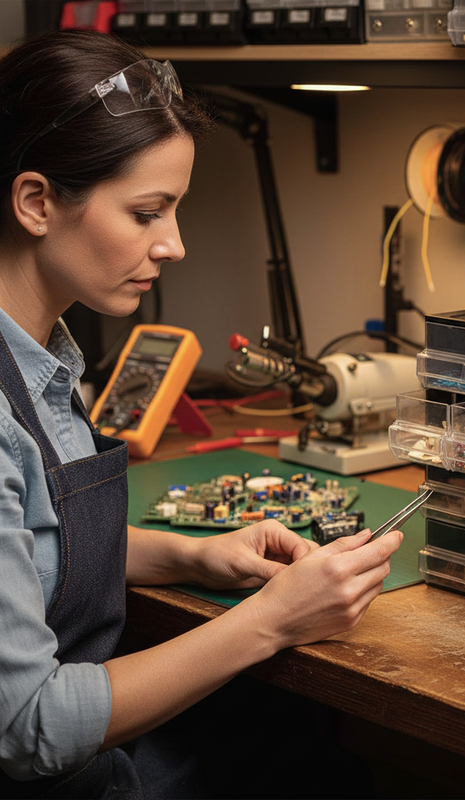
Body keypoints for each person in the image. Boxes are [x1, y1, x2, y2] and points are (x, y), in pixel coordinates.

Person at [0, 28, 403, 798]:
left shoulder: (44, 358)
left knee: (313, 757)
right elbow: (30, 728)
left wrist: (191, 556)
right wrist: (271, 622)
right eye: (148, 212)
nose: (174, 244)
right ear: (37, 201)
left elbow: (32, 547)